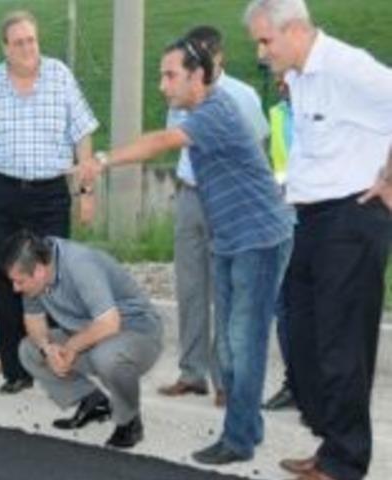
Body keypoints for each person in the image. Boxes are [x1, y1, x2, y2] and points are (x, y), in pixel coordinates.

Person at [81, 36, 293, 465]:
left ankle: (237, 440)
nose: (162, 85)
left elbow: (161, 142)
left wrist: (101, 160)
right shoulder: (198, 109)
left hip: (261, 239)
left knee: (243, 344)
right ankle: (247, 427)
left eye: (170, 75)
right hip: (232, 238)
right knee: (235, 347)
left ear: (198, 76)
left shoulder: (214, 111)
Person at [245, 1, 392, 478]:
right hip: (309, 221)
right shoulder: (302, 77)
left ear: (296, 31)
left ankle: (345, 462)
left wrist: (390, 177)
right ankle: (333, 442)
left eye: (266, 41)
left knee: (341, 344)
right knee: (301, 333)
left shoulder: (347, 67)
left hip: (352, 218)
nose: (261, 52)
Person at [0, 10, 99, 394]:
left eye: (32, 40)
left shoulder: (59, 75)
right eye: (19, 42)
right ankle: (17, 370)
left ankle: (60, 363)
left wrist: (86, 193)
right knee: (8, 281)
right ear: (5, 48)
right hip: (3, 195)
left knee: (54, 281)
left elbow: (83, 135)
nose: (28, 48)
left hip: (50, 196)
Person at [158, 25, 270, 408]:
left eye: (203, 54)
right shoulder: (179, 97)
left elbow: (257, 146)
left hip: (227, 201)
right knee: (190, 287)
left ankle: (227, 380)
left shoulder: (243, 96)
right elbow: (174, 140)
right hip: (190, 196)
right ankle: (192, 373)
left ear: (218, 57)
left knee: (226, 291)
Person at [6, 232, 162, 449]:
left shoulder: (79, 265)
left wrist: (71, 347)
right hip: (90, 335)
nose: (15, 288)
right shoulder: (35, 269)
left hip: (137, 334)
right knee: (29, 350)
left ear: (40, 271)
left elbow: (109, 323)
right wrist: (47, 349)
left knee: (106, 356)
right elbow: (33, 320)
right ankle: (93, 401)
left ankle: (129, 420)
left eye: (19, 281)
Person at [263, 75, 297, 411]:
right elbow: (279, 166)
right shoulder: (277, 113)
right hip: (284, 220)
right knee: (284, 305)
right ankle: (295, 384)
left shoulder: (324, 110)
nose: (279, 81)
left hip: (321, 220)